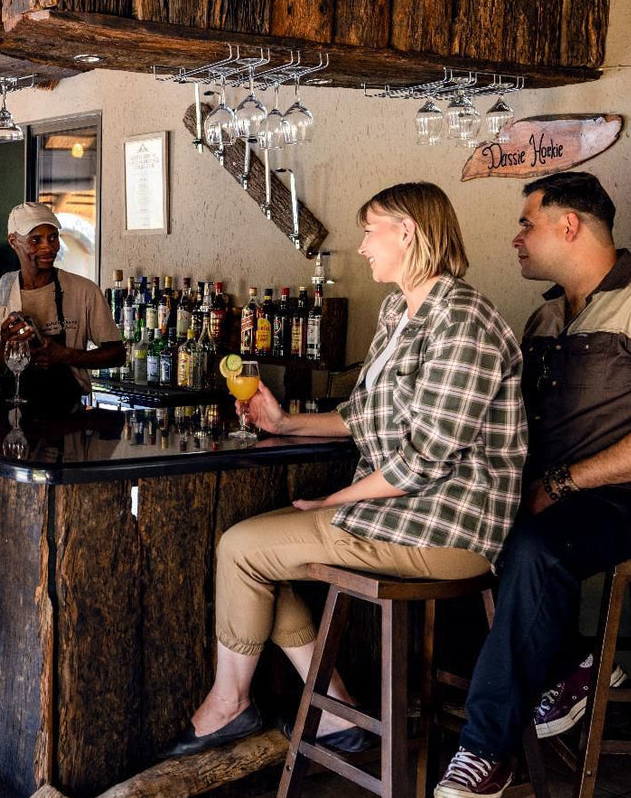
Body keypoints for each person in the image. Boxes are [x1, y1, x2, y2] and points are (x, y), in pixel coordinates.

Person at [165, 182, 526, 758]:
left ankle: (231, 704)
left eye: (369, 231)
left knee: (242, 549)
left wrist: (339, 501)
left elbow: (428, 453)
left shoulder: (463, 321)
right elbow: (362, 416)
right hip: (400, 514)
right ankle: (337, 712)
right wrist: (285, 425)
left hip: (447, 528)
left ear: (407, 232)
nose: (362, 247)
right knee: (254, 553)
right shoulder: (399, 311)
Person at [434, 172, 631, 798]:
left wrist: (559, 485)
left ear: (569, 224)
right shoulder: (545, 316)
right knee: (460, 534)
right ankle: (569, 666)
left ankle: (486, 749)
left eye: (527, 223)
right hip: (561, 500)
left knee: (536, 546)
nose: (516, 239)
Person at [0, 202, 125, 401]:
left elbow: (118, 355)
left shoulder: (84, 291)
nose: (48, 247)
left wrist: (64, 355)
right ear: (14, 241)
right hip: (7, 416)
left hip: (68, 416)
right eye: (36, 240)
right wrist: (5, 347)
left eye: (53, 238)